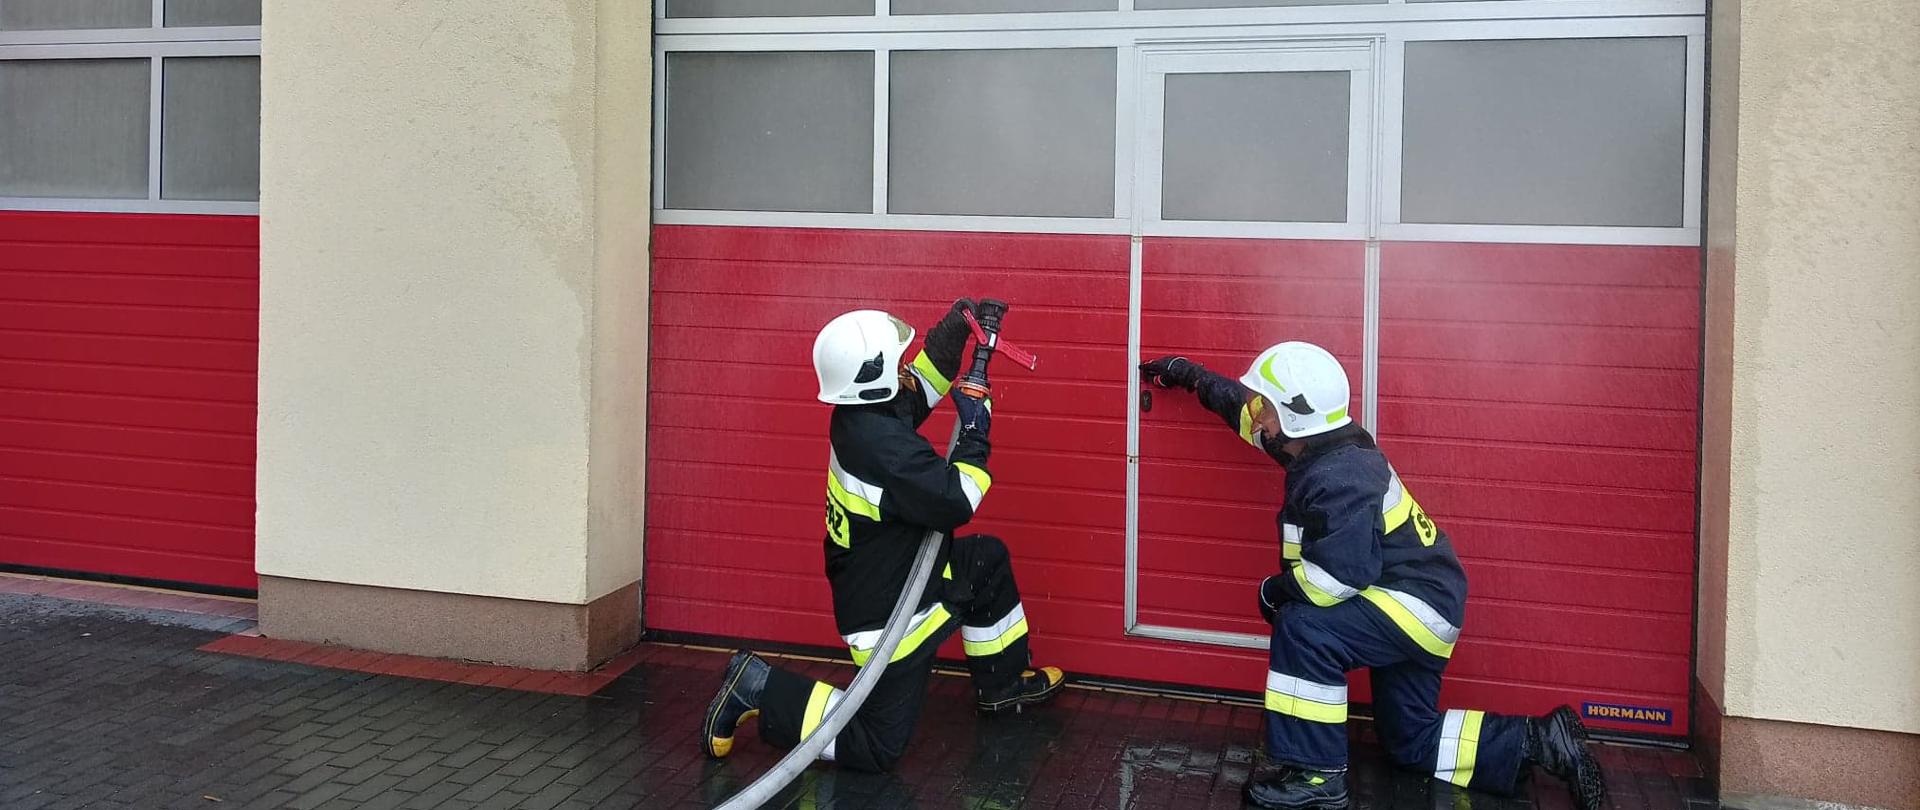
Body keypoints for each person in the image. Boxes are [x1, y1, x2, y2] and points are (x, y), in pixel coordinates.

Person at [1139, 343, 1606, 810]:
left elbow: (1337, 578)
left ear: (1293, 416)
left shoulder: (1340, 476)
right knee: (1411, 741)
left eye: (1265, 406)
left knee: (1303, 627)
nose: (1256, 416)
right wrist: (1188, 375)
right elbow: (1242, 413)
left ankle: (1317, 778)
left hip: (1412, 606)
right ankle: (1541, 740)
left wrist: (1273, 592)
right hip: (1419, 602)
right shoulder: (1316, 443)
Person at [701, 301, 1066, 773]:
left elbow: (916, 393)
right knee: (876, 744)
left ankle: (1002, 687)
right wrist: (976, 427)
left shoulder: (864, 415)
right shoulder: (883, 449)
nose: (905, 369)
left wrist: (951, 334)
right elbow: (958, 498)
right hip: (890, 615)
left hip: (901, 572)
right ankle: (756, 686)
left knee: (985, 560)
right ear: (872, 376)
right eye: (897, 362)